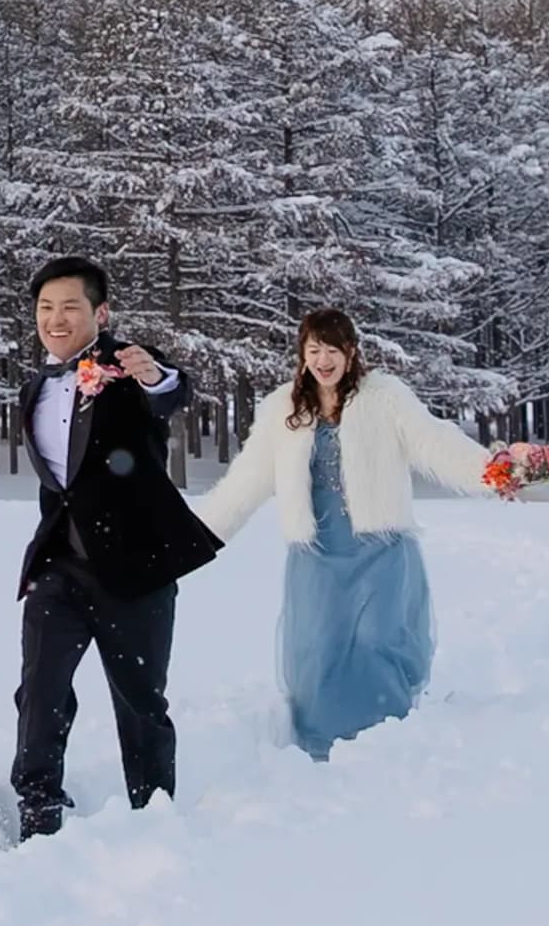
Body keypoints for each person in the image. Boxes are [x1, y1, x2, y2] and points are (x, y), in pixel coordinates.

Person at [190, 306, 478, 759]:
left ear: (351, 352)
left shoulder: (384, 397)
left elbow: (435, 442)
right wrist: (195, 537)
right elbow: (247, 480)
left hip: (379, 546)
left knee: (378, 638)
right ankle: (322, 741)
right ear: (302, 355)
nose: (323, 360)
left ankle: (387, 737)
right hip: (318, 552)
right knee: (321, 646)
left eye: (332, 350)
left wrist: (496, 473)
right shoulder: (284, 409)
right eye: (313, 350)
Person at [7, 255, 222, 840]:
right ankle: (38, 804)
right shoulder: (35, 386)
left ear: (100, 314)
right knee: (41, 689)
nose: (56, 319)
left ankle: (152, 815)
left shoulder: (125, 370)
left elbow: (170, 393)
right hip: (61, 566)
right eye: (46, 308)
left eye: (70, 306)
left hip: (135, 568)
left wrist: (156, 377)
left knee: (140, 700)